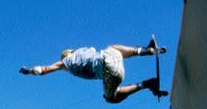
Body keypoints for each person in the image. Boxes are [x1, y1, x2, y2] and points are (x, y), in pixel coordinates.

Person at [19, 41, 168, 104]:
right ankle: (147, 50)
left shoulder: (65, 63)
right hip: (112, 54)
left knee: (111, 98)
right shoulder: (83, 51)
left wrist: (28, 71)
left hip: (109, 70)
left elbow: (43, 70)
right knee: (112, 47)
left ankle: (148, 84)